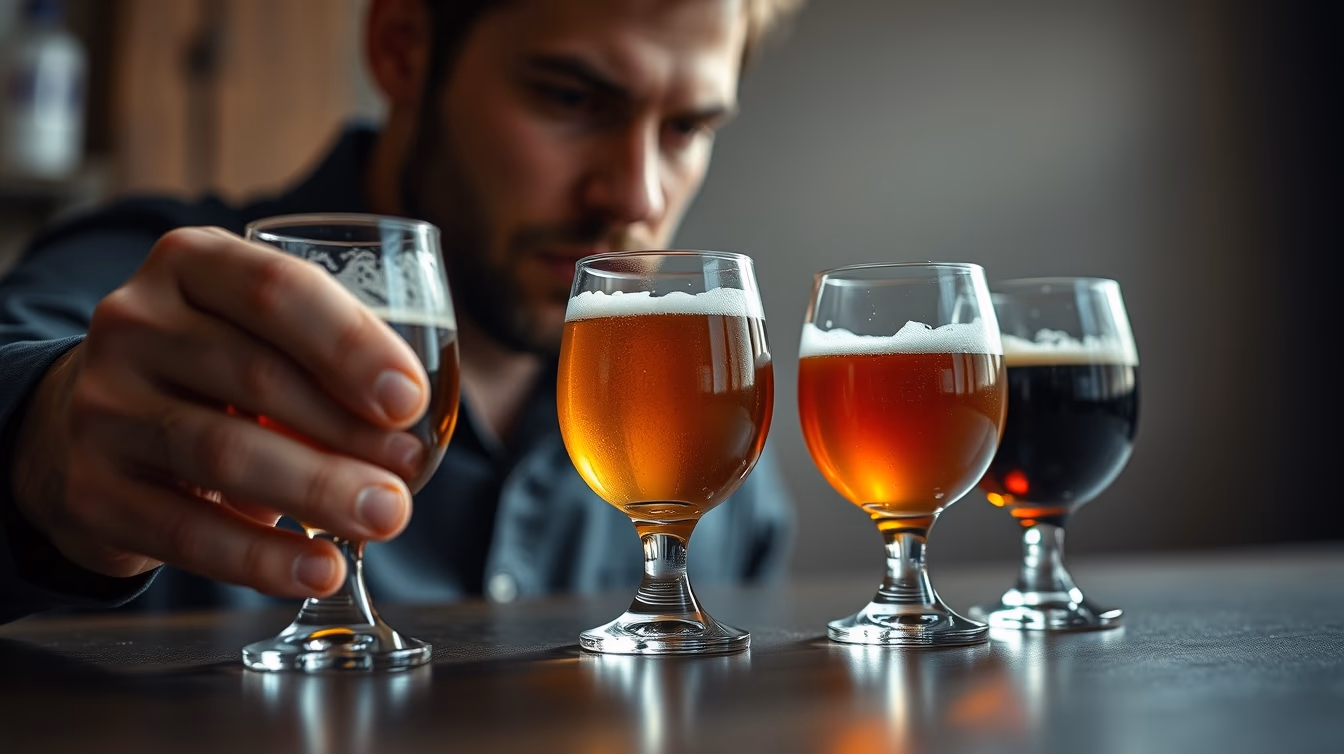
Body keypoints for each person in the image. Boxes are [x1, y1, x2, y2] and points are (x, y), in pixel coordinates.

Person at [0, 0, 801, 624]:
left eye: (687, 127)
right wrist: (42, 447)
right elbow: (34, 379)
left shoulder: (715, 439)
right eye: (572, 98)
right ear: (403, 49)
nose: (637, 194)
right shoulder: (134, 280)